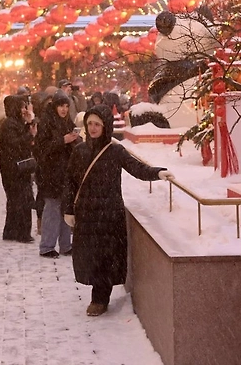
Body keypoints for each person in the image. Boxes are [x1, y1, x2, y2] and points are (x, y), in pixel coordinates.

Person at [64, 106, 170, 316]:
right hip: (86, 214)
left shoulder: (115, 151)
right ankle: (98, 293)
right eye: (90, 124)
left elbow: (137, 168)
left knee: (105, 257)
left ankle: (100, 298)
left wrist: (158, 173)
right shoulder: (79, 151)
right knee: (90, 256)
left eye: (97, 124)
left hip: (109, 214)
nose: (93, 128)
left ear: (105, 127)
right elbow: (70, 183)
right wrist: (68, 210)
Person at [35, 92, 80, 258]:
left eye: (67, 106)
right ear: (55, 106)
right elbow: (41, 148)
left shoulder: (66, 121)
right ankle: (47, 246)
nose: (64, 109)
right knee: (52, 208)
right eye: (61, 105)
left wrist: (75, 139)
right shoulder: (47, 122)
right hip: (50, 172)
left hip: (65, 172)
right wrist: (63, 140)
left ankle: (65, 244)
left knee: (66, 207)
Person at [0, 94, 36, 243]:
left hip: (18, 166)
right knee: (20, 199)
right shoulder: (8, 124)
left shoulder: (17, 122)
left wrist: (29, 122)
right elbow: (14, 144)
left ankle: (12, 231)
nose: (23, 109)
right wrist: (29, 135)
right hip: (13, 168)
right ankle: (21, 232)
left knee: (17, 199)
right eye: (21, 107)